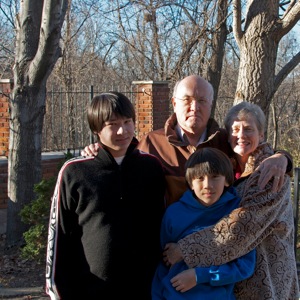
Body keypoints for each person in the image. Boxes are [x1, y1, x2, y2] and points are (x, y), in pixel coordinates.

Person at [81, 75, 292, 207]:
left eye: (202, 101)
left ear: (211, 104)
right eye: (187, 100)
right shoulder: (152, 144)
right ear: (174, 103)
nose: (194, 107)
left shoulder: (224, 142)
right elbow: (118, 160)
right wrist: (99, 150)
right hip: (167, 250)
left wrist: (283, 157)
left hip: (218, 253)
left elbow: (254, 151)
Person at [163, 102, 299, 299]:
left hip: (266, 278)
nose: (241, 135)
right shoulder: (229, 165)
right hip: (229, 283)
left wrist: (184, 250)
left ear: (261, 135)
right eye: (235, 129)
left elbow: (244, 225)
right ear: (227, 136)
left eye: (249, 129)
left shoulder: (270, 172)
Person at [45, 92, 166, 300]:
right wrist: (58, 290)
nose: (123, 130)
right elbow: (60, 235)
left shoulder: (151, 167)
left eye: (128, 122)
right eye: (112, 124)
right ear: (96, 129)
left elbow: (160, 225)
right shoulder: (74, 172)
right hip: (90, 290)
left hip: (144, 289)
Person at [152, 147, 256, 300]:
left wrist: (199, 276)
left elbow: (244, 266)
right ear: (190, 182)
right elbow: (163, 264)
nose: (207, 185)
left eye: (215, 177)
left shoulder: (237, 213)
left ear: (227, 180)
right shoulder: (174, 214)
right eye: (200, 178)